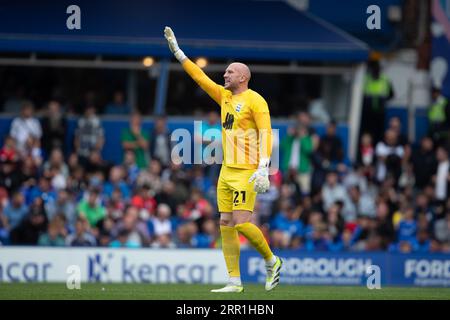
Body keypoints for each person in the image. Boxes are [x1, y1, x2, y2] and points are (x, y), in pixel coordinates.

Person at [164, 26, 282, 293]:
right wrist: (179, 53)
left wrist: (264, 166)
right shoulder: (225, 96)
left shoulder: (255, 101)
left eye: (229, 71)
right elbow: (200, 78)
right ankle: (234, 281)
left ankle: (272, 260)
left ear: (242, 76)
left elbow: (266, 133)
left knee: (242, 223)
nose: (224, 74)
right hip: (226, 171)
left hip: (246, 171)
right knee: (225, 223)